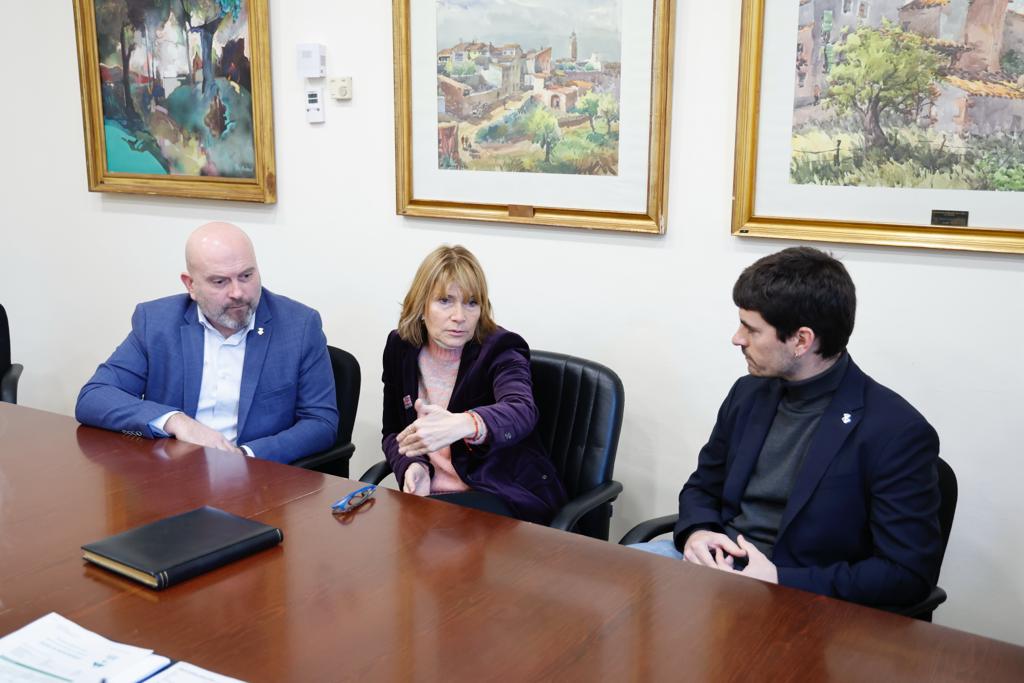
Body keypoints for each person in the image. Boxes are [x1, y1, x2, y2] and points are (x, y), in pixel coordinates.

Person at [632, 246, 942, 607]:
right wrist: (699, 533)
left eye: (751, 329)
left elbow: (906, 575)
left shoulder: (895, 431)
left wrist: (778, 578)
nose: (737, 338)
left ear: (801, 340)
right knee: (618, 587)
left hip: (805, 596)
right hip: (716, 573)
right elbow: (703, 487)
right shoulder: (748, 393)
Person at [75, 222, 338, 463]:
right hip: (173, 477)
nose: (237, 293)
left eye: (246, 276)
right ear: (190, 284)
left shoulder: (299, 326)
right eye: (220, 281)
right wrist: (176, 421)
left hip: (259, 482)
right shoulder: (156, 322)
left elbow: (321, 423)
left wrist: (245, 457)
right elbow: (94, 397)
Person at [381, 245, 566, 523]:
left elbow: (522, 409)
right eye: (445, 301)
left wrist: (467, 423)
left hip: (496, 496)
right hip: (432, 500)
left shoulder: (501, 348)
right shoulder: (400, 347)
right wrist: (412, 466)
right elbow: (394, 431)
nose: (460, 316)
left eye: (471, 302)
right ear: (420, 306)